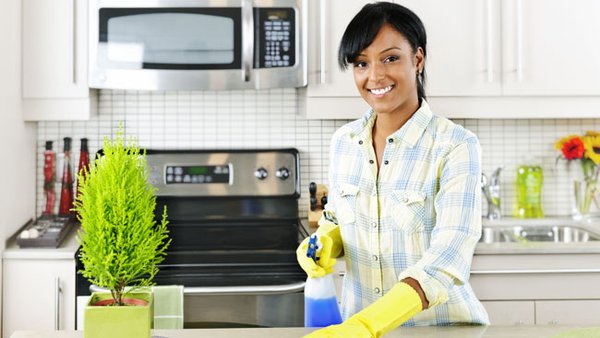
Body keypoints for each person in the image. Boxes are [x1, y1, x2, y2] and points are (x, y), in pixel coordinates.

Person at [296, 2, 490, 337]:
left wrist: (369, 324)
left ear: (417, 60)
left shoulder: (455, 145)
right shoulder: (344, 141)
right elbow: (338, 218)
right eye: (361, 63)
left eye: (390, 58)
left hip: (439, 330)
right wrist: (326, 242)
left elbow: (448, 255)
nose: (375, 76)